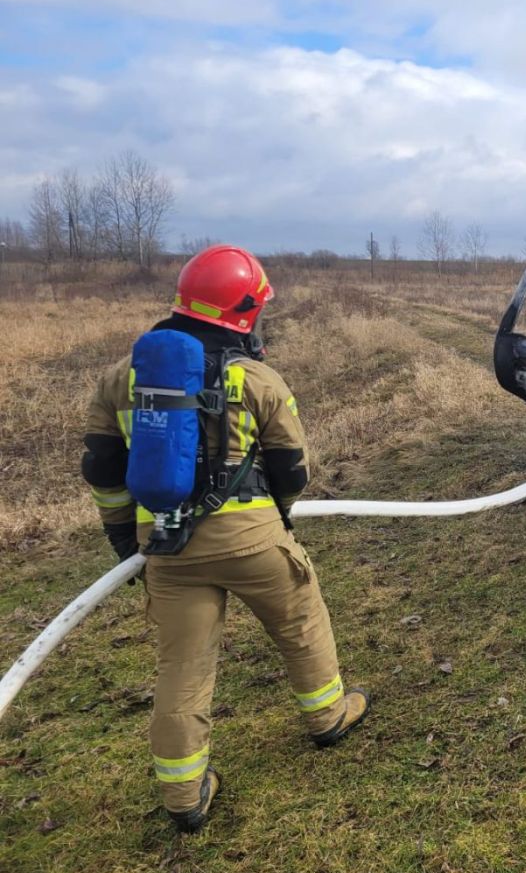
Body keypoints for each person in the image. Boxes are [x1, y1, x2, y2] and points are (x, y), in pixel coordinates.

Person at [80, 245, 369, 833]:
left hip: (166, 548)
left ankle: (185, 795)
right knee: (300, 619)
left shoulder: (120, 380)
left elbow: (104, 472)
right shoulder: (256, 378)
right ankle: (328, 717)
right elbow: (292, 466)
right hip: (252, 540)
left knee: (182, 666)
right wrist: (279, 518)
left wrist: (124, 542)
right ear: (242, 314)